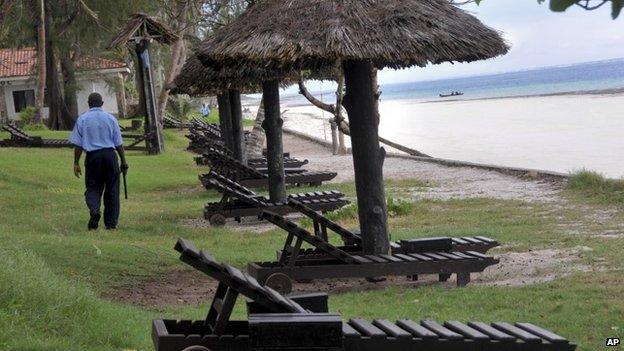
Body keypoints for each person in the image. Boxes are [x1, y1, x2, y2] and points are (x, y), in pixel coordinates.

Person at [69, 92, 128, 230]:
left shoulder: (82, 119)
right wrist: (123, 162)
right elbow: (119, 144)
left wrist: (76, 163)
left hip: (93, 157)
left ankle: (95, 210)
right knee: (112, 189)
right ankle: (111, 224)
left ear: (89, 104)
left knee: (93, 187)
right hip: (110, 156)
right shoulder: (110, 119)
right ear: (102, 104)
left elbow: (78, 145)